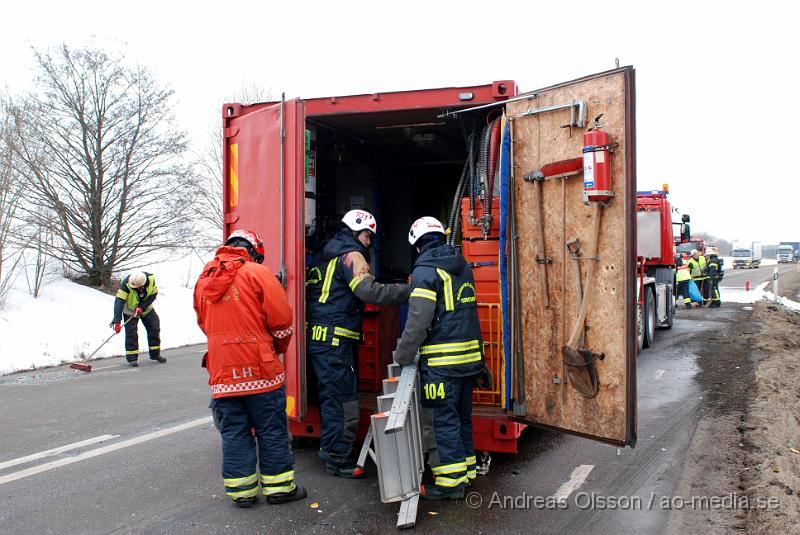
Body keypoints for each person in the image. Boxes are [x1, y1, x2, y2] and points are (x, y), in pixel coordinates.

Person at [193, 229, 307, 507]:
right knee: (271, 429)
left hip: (222, 375)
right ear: (254, 251)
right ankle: (279, 488)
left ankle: (242, 493)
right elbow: (282, 322)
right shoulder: (257, 273)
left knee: (233, 431)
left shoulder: (203, 279)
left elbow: (203, 322)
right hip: (260, 372)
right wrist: (275, 349)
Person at [305, 209, 410, 478]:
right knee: (343, 401)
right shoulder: (352, 255)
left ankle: (332, 450)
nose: (369, 241)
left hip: (321, 340)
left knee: (331, 398)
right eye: (366, 235)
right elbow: (369, 291)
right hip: (334, 342)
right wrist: (411, 291)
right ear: (355, 231)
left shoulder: (323, 255)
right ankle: (338, 458)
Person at [393, 216, 489, 501]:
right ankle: (467, 472)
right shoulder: (462, 267)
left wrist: (403, 354)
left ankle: (449, 483)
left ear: (416, 245)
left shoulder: (425, 272)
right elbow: (469, 316)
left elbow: (419, 319)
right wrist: (481, 362)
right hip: (469, 360)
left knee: (442, 420)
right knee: (462, 418)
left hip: (441, 364)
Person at [111, 271, 165, 367]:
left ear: (142, 284)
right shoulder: (126, 285)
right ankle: (132, 358)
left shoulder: (151, 280)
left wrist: (142, 307)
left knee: (154, 327)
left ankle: (155, 354)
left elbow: (153, 294)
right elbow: (119, 302)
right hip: (130, 310)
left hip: (146, 308)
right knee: (131, 333)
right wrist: (117, 321)